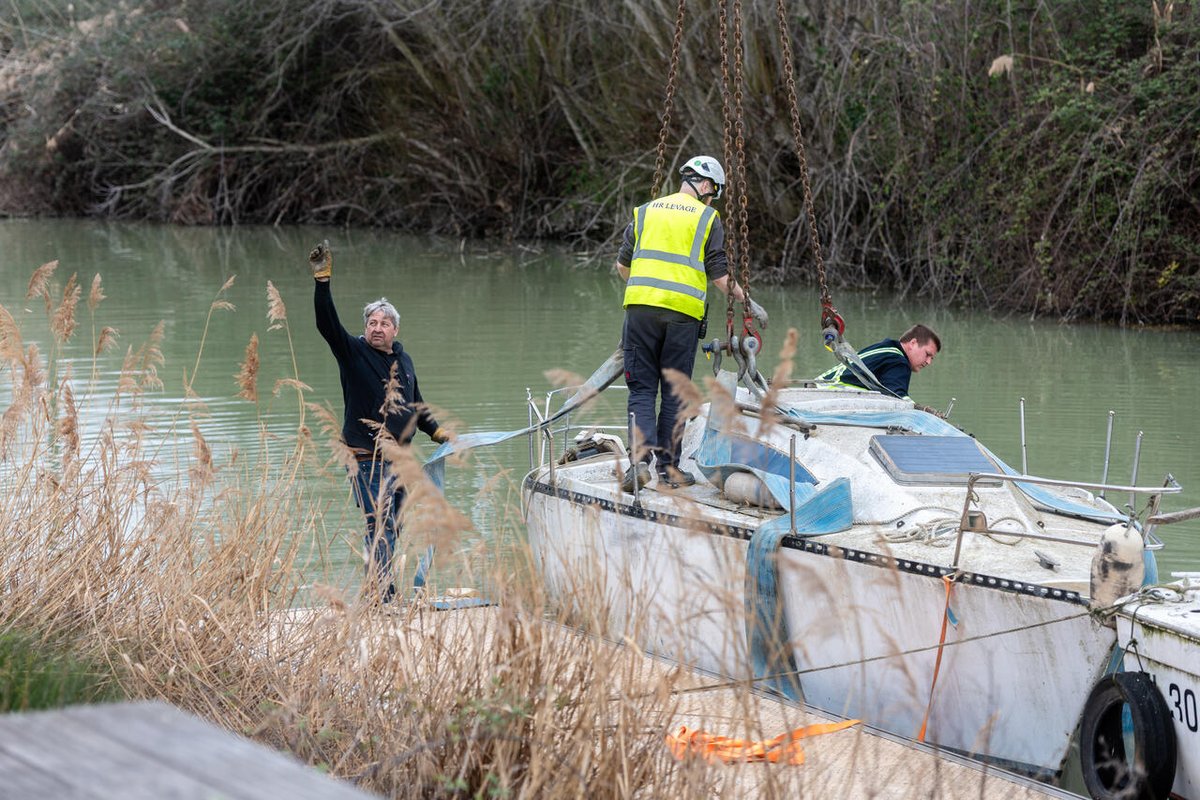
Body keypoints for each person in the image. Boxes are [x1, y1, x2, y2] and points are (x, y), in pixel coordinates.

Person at [615, 155, 768, 491]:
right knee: (674, 393)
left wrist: (646, 292)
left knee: (641, 390)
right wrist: (748, 302)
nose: (712, 200)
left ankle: (638, 464)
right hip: (682, 316)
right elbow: (720, 276)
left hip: (640, 313)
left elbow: (623, 267)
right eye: (713, 193)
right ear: (706, 185)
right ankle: (669, 471)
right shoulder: (707, 218)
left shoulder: (645, 212)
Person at [310, 241, 449, 603]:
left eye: (384, 323)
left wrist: (436, 431)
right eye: (372, 322)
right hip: (365, 457)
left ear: (395, 330)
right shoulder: (353, 352)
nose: (377, 328)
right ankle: (382, 597)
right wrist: (322, 282)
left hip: (399, 461)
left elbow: (416, 405)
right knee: (380, 522)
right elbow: (327, 325)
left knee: (392, 527)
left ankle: (377, 593)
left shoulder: (405, 362)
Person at [817, 323, 941, 400]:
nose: (928, 362)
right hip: (826, 398)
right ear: (913, 343)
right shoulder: (898, 361)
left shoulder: (885, 349)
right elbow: (898, 401)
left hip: (816, 388)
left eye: (932, 358)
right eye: (927, 354)